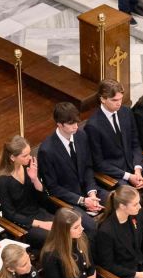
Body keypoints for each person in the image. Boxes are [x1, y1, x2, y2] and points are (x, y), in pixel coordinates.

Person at [38, 101, 104, 235]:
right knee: (91, 227)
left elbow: (87, 167)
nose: (76, 126)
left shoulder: (81, 136)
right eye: (71, 123)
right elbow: (53, 187)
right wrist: (82, 201)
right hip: (67, 200)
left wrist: (92, 193)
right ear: (59, 124)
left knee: (117, 203)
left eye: (76, 122)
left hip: (88, 191)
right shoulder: (47, 150)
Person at [85, 78, 143, 187]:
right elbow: (99, 163)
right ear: (103, 99)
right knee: (129, 194)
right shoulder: (93, 126)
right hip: (116, 174)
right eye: (114, 100)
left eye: (120, 99)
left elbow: (135, 143)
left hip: (136, 165)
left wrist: (137, 168)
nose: (119, 103)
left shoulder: (126, 112)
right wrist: (128, 176)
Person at [0, 135, 55, 248]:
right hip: (22, 224)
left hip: (39, 212)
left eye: (29, 153)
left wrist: (35, 179)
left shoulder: (29, 166)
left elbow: (44, 198)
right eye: (25, 155)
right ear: (13, 157)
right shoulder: (2, 181)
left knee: (67, 228)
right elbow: (10, 214)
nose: (29, 157)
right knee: (54, 238)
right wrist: (40, 224)